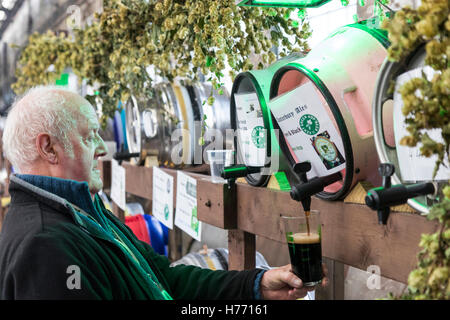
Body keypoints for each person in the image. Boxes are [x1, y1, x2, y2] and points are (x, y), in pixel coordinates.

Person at [0, 86, 328, 300]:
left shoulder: (83, 210)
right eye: (90, 135)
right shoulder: (43, 246)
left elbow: (163, 279)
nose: (102, 147)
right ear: (48, 148)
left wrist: (257, 285)